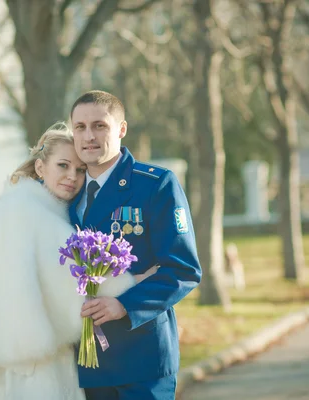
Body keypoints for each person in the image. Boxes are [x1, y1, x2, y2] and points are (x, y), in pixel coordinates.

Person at [0, 122, 139, 400]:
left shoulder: (18, 209)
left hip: (9, 358)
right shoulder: (31, 215)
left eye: (80, 169)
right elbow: (73, 289)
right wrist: (133, 280)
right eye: (63, 165)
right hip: (34, 365)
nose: (72, 176)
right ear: (39, 168)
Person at [68, 90, 202, 400]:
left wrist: (124, 305)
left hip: (141, 357)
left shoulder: (155, 185)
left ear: (121, 129)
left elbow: (183, 270)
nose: (89, 136)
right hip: (87, 365)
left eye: (99, 126)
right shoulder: (66, 192)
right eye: (80, 127)